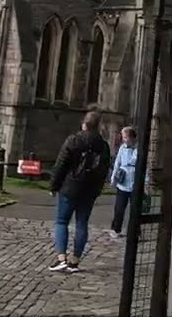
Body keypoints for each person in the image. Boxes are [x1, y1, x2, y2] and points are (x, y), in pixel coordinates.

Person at [47, 110, 111, 274]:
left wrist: (54, 185)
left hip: (69, 187)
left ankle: (61, 259)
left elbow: (61, 164)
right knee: (82, 223)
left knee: (62, 222)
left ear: (84, 124)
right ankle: (75, 260)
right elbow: (104, 170)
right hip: (89, 190)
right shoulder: (103, 145)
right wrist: (97, 189)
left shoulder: (74, 140)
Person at [108, 125, 138, 238]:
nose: (124, 139)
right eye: (123, 137)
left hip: (134, 182)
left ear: (131, 138)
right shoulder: (122, 148)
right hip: (123, 182)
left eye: (125, 137)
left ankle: (135, 230)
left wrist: (146, 182)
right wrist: (113, 178)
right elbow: (117, 163)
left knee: (135, 210)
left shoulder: (138, 149)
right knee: (119, 208)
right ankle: (116, 228)